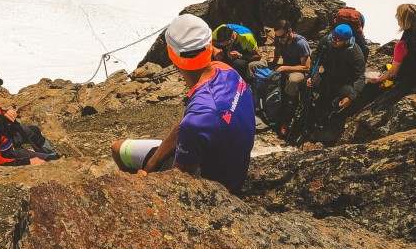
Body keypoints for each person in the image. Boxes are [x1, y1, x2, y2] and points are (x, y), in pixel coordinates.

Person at [112, 14, 255, 194]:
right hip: (234, 170)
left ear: (171, 55)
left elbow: (178, 186)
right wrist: (150, 166)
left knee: (117, 148)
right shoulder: (226, 70)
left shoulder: (197, 120)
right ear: (210, 46)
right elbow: (188, 122)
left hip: (215, 188)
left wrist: (145, 183)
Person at [248, 19, 310, 133]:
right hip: (283, 65)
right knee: (253, 66)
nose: (280, 39)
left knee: (292, 81)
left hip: (296, 69)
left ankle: (286, 117)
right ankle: (254, 101)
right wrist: (273, 63)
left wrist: (285, 68)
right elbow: (277, 49)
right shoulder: (279, 38)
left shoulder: (301, 43)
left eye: (282, 36)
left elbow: (306, 67)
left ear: (290, 30)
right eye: (278, 37)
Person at [307, 23, 366, 118]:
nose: (333, 40)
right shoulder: (326, 41)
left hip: (343, 83)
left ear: (347, 41)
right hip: (327, 77)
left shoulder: (355, 53)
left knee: (351, 96)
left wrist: (350, 97)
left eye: (337, 39)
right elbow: (316, 61)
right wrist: (311, 76)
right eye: (333, 36)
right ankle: (308, 109)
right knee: (305, 84)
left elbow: (360, 77)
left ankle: (331, 109)